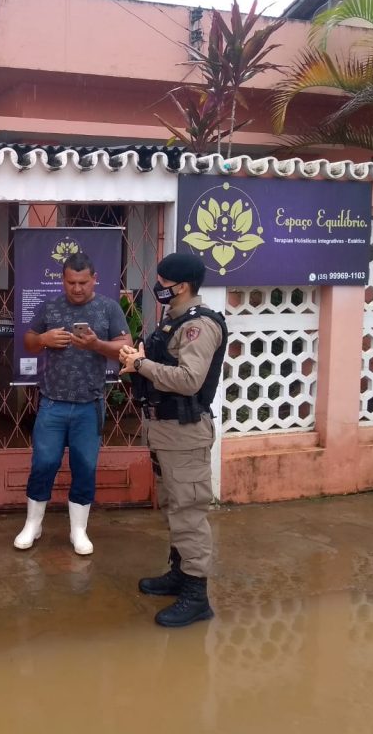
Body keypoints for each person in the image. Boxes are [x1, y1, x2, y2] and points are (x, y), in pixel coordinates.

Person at [118, 253, 228, 627]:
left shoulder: (200, 326)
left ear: (181, 286)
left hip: (185, 433)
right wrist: (142, 357)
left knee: (189, 512)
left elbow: (189, 379)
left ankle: (197, 595)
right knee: (174, 505)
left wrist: (141, 365)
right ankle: (180, 573)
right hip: (166, 430)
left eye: (163, 282)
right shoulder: (175, 321)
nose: (158, 288)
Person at [14, 252, 130, 555]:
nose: (76, 288)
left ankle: (78, 530)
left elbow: (125, 348)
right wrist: (43, 340)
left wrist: (96, 344)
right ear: (62, 280)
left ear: (94, 279)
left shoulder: (108, 308)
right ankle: (33, 524)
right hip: (52, 402)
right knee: (44, 464)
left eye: (83, 282)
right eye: (70, 282)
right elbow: (27, 339)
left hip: (88, 404)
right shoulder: (50, 306)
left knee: (85, 467)